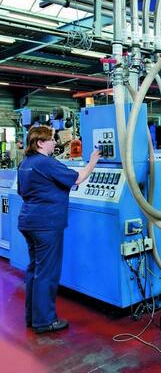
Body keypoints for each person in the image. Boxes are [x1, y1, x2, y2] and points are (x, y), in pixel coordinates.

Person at [17, 126, 100, 334]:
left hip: (29, 221)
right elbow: (78, 178)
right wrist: (92, 161)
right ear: (39, 143)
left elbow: (22, 191)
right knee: (47, 273)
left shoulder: (25, 163)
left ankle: (32, 317)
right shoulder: (46, 162)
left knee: (35, 270)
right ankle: (45, 321)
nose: (55, 143)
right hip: (46, 224)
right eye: (51, 139)